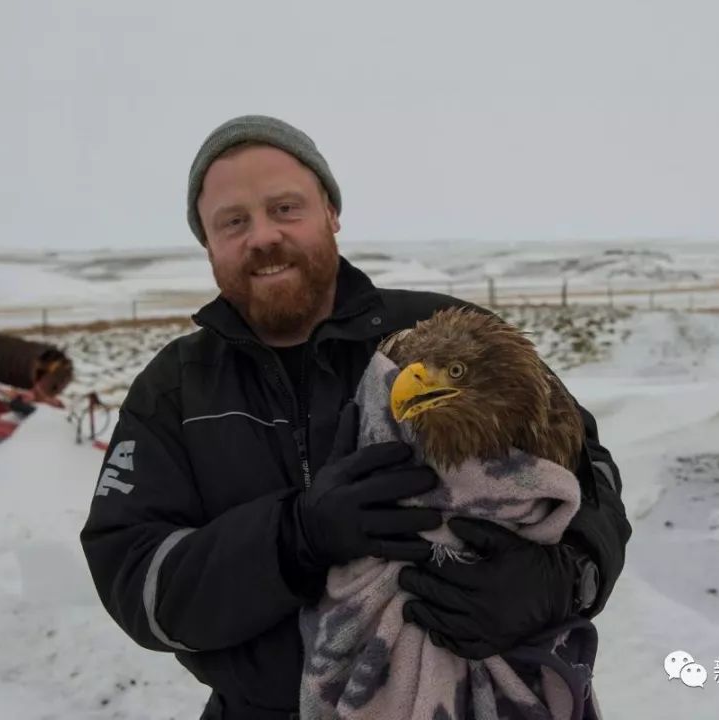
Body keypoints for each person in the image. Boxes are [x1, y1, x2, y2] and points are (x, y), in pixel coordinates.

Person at [80, 115, 632, 720]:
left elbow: (591, 472)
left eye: (285, 208)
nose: (262, 236)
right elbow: (136, 579)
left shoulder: (452, 337)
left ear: (331, 214)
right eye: (233, 221)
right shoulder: (173, 389)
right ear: (208, 243)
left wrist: (563, 579)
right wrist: (293, 537)